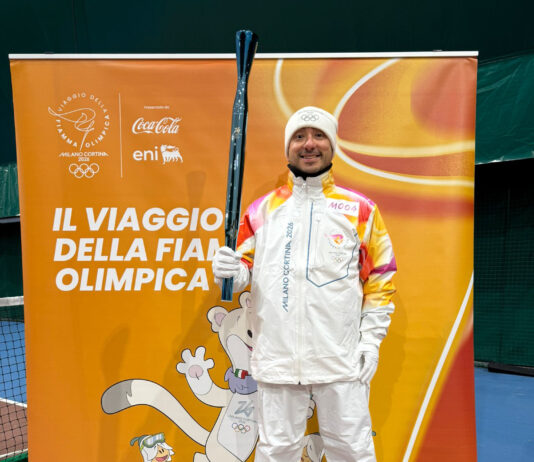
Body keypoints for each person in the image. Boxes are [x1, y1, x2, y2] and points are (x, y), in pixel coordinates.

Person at [212, 106, 396, 462]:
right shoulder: (260, 212)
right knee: (276, 452)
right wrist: (229, 271)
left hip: (340, 360)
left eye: (319, 135)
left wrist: (370, 342)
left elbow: (380, 279)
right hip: (277, 360)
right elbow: (243, 273)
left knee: (352, 451)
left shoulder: (361, 210)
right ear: (288, 147)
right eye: (299, 136)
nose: (309, 144)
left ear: (332, 145)